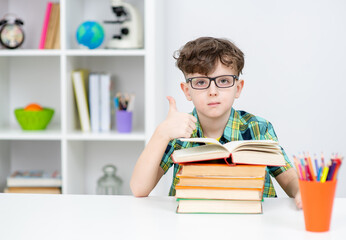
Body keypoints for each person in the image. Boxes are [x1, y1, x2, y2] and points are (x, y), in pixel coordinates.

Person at [130, 37, 302, 208]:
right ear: (187, 91)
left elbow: (288, 178)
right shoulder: (178, 133)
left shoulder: (258, 128)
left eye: (223, 81)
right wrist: (162, 133)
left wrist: (300, 191)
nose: (213, 91)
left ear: (238, 88)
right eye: (201, 82)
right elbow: (139, 189)